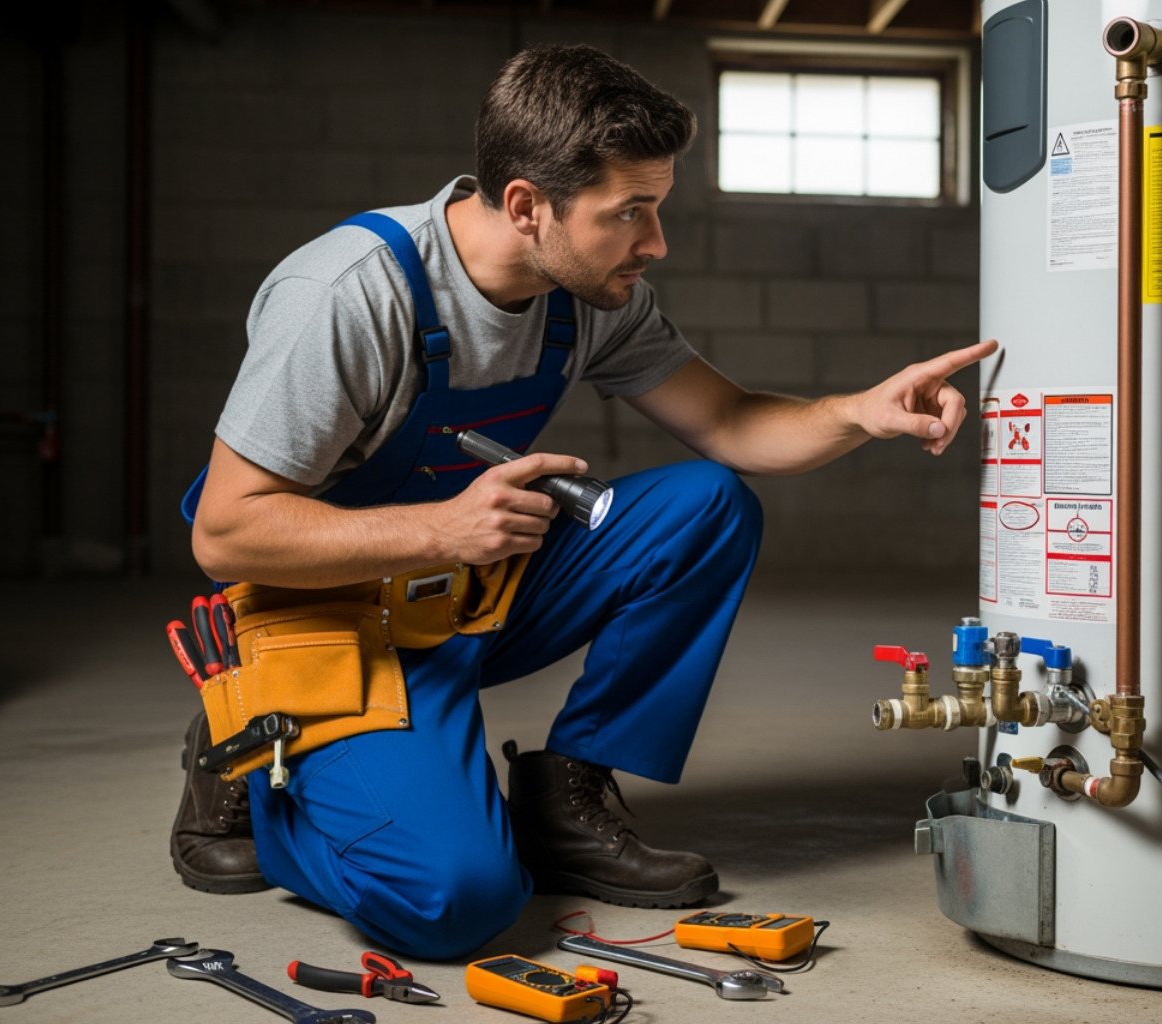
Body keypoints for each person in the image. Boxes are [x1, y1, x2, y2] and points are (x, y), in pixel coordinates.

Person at [171, 43, 995, 960]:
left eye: (658, 207)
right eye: (629, 213)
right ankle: (253, 765)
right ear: (527, 205)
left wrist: (861, 412)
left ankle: (564, 796)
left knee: (707, 504)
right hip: (321, 618)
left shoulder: (589, 295)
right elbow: (227, 531)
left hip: (459, 588)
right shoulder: (348, 297)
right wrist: (445, 527)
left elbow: (727, 422)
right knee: (457, 902)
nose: (656, 243)